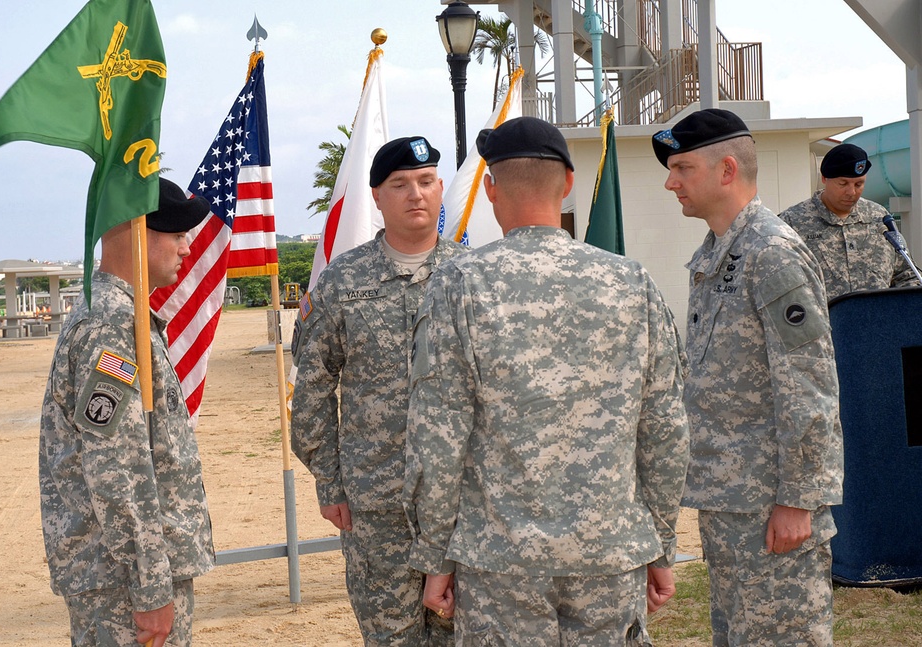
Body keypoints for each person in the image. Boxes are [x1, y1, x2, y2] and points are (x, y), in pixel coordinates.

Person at [404, 116, 690, 645]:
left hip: (501, 562)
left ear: (490, 189)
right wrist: (660, 544)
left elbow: (437, 439)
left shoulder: (458, 284)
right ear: (568, 183)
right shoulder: (632, 283)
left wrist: (436, 557)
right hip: (610, 552)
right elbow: (666, 430)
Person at [653, 108, 843, 646]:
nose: (671, 182)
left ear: (727, 170)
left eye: (682, 168)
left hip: (771, 509)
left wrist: (798, 499)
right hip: (732, 505)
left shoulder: (771, 252)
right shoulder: (717, 252)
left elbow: (808, 384)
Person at [290, 136, 466, 646]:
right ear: (377, 197)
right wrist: (330, 480)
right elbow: (313, 388)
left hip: (461, 502)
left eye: (428, 181)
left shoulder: (469, 275)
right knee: (391, 636)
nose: (417, 194)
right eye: (401, 184)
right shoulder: (345, 279)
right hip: (375, 506)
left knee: (467, 634)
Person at [40, 177, 216, 647]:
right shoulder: (112, 326)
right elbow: (117, 468)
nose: (185, 248)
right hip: (124, 582)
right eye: (176, 235)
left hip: (123, 573)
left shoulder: (122, 315)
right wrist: (151, 584)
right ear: (137, 232)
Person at [779, 142, 918, 299]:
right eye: (843, 183)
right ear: (824, 178)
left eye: (859, 184)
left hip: (878, 321)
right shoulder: (791, 223)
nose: (851, 192)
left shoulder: (879, 218)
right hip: (823, 322)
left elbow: (907, 276)